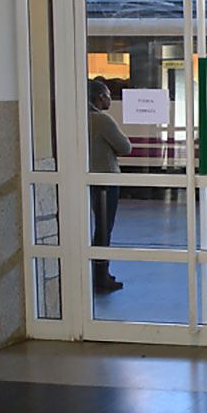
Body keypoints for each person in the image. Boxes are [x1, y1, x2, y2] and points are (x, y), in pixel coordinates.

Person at [89, 78, 131, 293]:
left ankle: (94, 274)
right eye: (107, 95)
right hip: (106, 181)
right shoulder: (101, 120)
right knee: (104, 228)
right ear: (99, 97)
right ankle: (101, 276)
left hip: (88, 178)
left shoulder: (80, 118)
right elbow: (125, 147)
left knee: (96, 227)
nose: (110, 99)